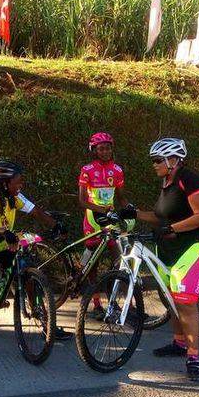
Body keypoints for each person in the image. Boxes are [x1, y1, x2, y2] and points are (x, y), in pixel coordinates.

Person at [117, 138, 199, 381]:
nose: (154, 165)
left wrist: (173, 228)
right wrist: (135, 213)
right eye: (153, 161)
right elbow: (161, 217)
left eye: (158, 160)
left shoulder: (188, 179)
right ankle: (179, 343)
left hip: (192, 247)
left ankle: (193, 357)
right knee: (172, 298)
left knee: (186, 302)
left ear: (173, 161)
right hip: (168, 248)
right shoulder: (167, 183)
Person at [0, 159, 65, 361]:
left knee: (28, 275)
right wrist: (4, 232)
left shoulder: (14, 198)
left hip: (7, 246)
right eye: (17, 182)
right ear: (4, 183)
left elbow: (35, 211)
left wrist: (56, 225)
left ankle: (47, 324)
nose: (21, 185)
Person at [78, 132, 127, 317]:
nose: (105, 151)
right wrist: (101, 210)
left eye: (108, 148)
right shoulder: (87, 169)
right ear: (94, 150)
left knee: (118, 261)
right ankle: (96, 304)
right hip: (93, 221)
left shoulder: (118, 170)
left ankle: (114, 302)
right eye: (101, 148)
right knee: (93, 263)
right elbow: (82, 201)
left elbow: (121, 197)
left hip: (110, 220)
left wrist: (130, 211)